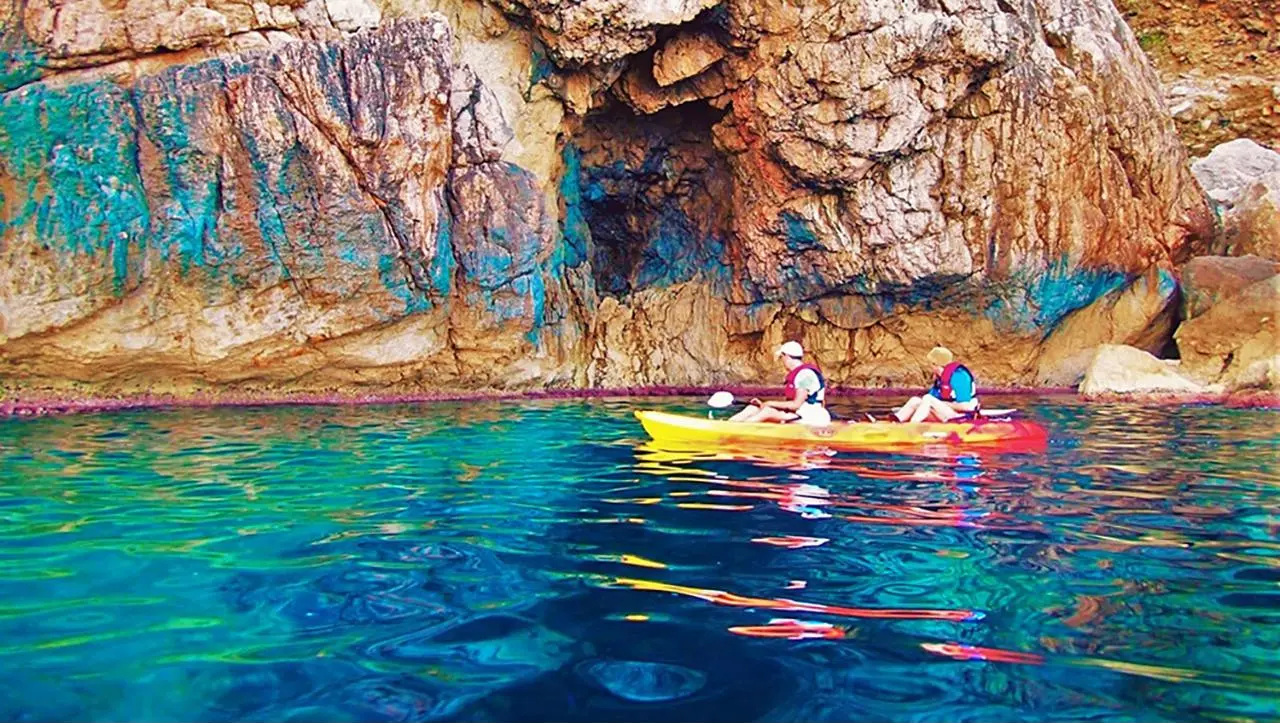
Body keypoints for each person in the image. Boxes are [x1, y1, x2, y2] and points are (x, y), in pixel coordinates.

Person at [730, 341, 832, 426]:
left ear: (786, 356)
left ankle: (738, 430)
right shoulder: (800, 373)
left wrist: (769, 403)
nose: (782, 361)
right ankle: (728, 426)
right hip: (798, 414)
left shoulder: (805, 374)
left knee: (767, 411)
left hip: (812, 417)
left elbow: (796, 405)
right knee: (752, 408)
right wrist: (764, 404)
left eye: (781, 357)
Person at [893, 346, 979, 423]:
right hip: (944, 413)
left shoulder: (960, 377)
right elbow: (929, 401)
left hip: (961, 417)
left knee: (928, 399)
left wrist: (941, 403)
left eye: (931, 363)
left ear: (935, 364)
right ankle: (896, 421)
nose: (929, 366)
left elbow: (966, 407)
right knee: (915, 401)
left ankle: (912, 426)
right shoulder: (940, 378)